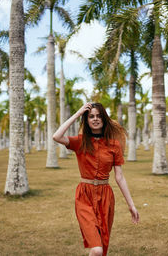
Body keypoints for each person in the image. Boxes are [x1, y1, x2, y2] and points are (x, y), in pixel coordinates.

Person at [53, 102, 139, 256]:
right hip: (84, 196)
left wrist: (131, 205)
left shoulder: (114, 145)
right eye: (91, 116)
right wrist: (78, 113)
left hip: (105, 197)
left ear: (104, 119)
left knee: (102, 247)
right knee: (97, 249)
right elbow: (57, 136)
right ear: (86, 120)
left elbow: (119, 177)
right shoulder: (80, 141)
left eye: (99, 116)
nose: (95, 119)